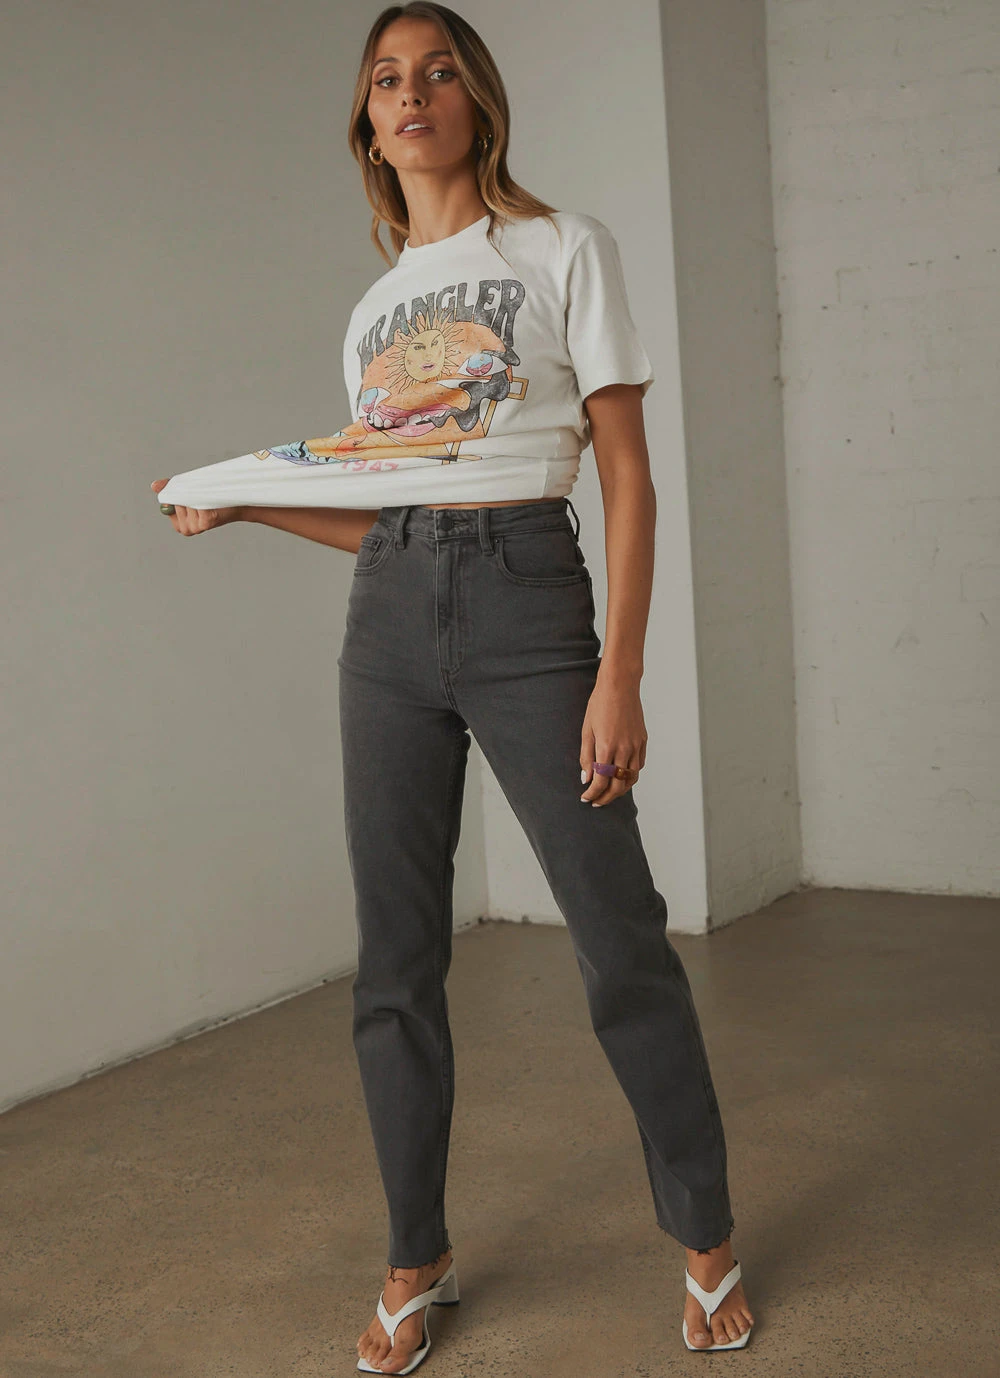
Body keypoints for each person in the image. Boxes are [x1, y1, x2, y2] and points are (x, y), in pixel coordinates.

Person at [151, 3, 755, 1370]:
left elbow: (625, 475)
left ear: (477, 99)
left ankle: (705, 1235)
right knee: (396, 958)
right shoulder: (373, 312)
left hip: (528, 598)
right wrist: (245, 504)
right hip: (387, 618)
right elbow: (385, 510)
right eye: (386, 79)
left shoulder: (562, 248)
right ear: (368, 124)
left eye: (435, 72)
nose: (410, 93)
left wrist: (620, 673)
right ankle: (415, 1255)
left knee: (618, 936)